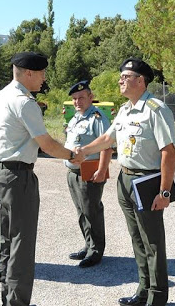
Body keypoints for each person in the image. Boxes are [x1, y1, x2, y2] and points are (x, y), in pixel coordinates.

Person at [0, 52, 84, 306]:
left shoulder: (0, 96)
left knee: (7, 239)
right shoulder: (24, 102)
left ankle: (7, 297)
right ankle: (17, 302)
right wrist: (72, 155)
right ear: (29, 73)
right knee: (22, 243)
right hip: (17, 176)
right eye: (41, 73)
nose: (44, 79)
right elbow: (47, 144)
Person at [77, 58, 175, 306]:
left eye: (126, 76)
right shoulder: (124, 110)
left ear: (140, 80)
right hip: (126, 179)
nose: (121, 80)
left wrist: (164, 192)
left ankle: (157, 298)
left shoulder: (156, 109)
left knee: (152, 242)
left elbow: (168, 151)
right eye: (121, 76)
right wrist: (83, 150)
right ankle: (143, 291)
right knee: (137, 239)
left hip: (147, 181)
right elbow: (107, 139)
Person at [63, 80, 113, 268]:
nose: (77, 102)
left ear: (90, 97)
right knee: (81, 211)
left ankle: (96, 250)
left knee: (92, 211)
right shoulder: (76, 117)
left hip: (90, 173)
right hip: (73, 172)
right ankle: (88, 244)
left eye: (81, 98)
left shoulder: (97, 118)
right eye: (74, 99)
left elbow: (107, 147)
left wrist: (101, 170)